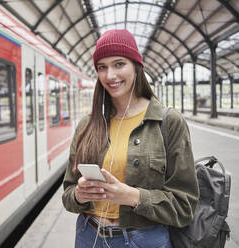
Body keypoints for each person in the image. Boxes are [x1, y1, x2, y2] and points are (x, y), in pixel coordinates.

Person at [62, 29, 199, 248]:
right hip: (89, 236)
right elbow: (68, 196)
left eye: (119, 64)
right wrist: (79, 194)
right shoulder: (87, 125)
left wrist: (133, 197)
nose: (110, 76)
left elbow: (185, 206)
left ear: (136, 67)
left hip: (144, 240)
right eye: (102, 67)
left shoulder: (168, 121)